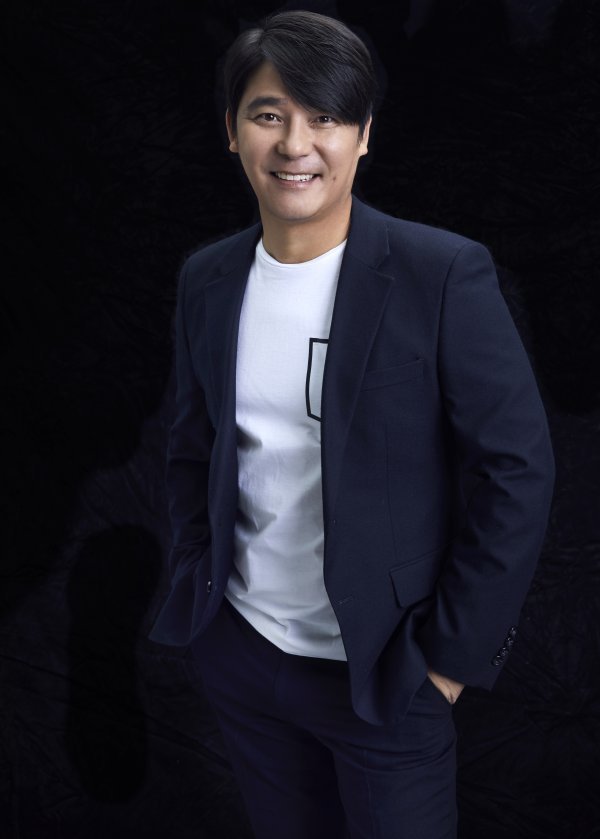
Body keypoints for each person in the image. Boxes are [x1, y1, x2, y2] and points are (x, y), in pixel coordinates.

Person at [149, 10, 555, 838]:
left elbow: (517, 468)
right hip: (246, 654)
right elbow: (194, 446)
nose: (295, 144)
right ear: (232, 130)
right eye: (269, 115)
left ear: (363, 135)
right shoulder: (208, 278)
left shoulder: (441, 273)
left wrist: (447, 661)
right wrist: (202, 582)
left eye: (326, 116)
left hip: (382, 675)